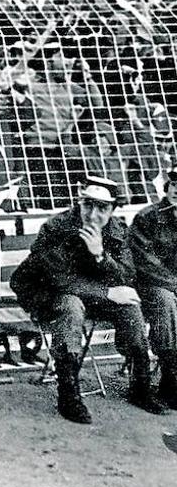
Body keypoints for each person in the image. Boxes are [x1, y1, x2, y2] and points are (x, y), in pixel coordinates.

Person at [10, 175, 165, 424]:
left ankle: (140, 387)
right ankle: (68, 395)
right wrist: (107, 293)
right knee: (70, 305)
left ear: (113, 210)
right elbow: (57, 280)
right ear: (79, 203)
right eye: (88, 205)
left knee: (130, 307)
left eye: (102, 208)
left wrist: (101, 256)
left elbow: (127, 275)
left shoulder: (116, 230)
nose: (93, 215)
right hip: (44, 292)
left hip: (87, 294)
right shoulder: (56, 227)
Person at [127, 169, 177, 411]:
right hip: (149, 286)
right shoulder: (147, 217)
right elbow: (144, 261)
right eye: (174, 183)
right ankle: (170, 375)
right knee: (165, 300)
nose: (176, 189)